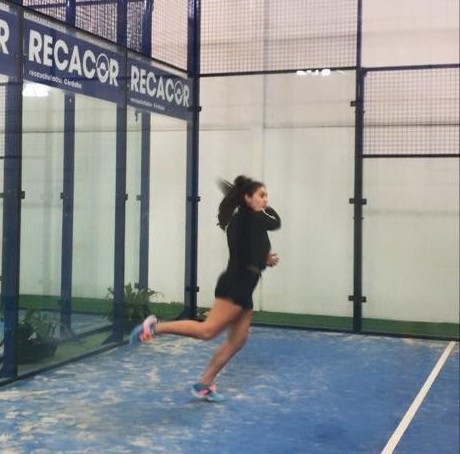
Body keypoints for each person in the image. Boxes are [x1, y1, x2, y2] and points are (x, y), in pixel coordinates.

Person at [130, 175, 281, 402]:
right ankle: (154, 327)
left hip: (246, 284)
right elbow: (275, 222)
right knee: (207, 331)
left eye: (266, 196)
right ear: (247, 198)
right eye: (261, 195)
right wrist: (262, 210)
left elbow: (250, 251)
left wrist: (264, 259)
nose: (266, 200)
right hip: (236, 284)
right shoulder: (247, 220)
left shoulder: (249, 221)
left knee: (238, 341)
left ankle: (204, 384)